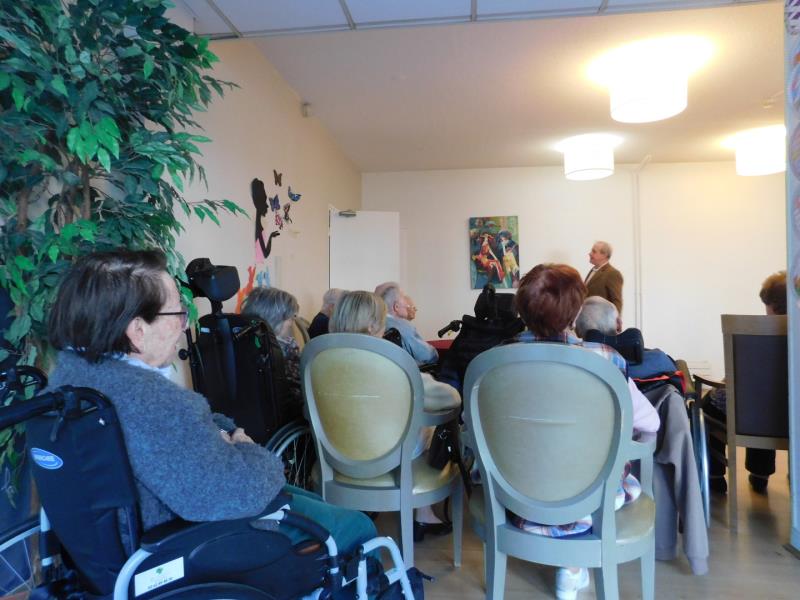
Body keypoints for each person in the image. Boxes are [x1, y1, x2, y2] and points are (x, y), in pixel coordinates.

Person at [46, 249, 375, 556]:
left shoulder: (69, 380)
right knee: (357, 526)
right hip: (197, 544)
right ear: (138, 331)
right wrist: (246, 448)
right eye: (178, 313)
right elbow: (234, 494)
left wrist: (218, 430)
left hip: (115, 543)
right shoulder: (153, 402)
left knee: (306, 498)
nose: (184, 324)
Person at [509, 264, 659, 600]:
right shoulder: (605, 360)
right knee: (593, 471)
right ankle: (573, 565)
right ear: (576, 313)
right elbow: (650, 424)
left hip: (518, 492)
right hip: (590, 499)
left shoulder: (497, 359)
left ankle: (570, 566)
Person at [329, 291, 459, 540]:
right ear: (371, 326)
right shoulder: (391, 362)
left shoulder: (317, 356)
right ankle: (424, 514)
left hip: (336, 454)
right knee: (431, 425)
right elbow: (449, 398)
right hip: (387, 456)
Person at [703, 270, 787, 495]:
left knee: (707, 408)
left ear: (773, 305)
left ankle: (715, 476)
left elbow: (744, 380)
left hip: (754, 413)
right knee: (766, 404)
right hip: (788, 417)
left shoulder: (760, 337)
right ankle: (760, 473)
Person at [241, 286, 302, 407]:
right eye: (290, 319)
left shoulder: (242, 342)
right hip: (287, 410)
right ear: (275, 318)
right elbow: (299, 391)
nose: (291, 323)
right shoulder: (287, 348)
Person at [377, 283, 438, 366]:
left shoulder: (373, 324)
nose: (407, 304)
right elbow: (427, 356)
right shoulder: (403, 326)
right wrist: (435, 353)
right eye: (403, 298)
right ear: (396, 307)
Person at [585, 241, 623, 314]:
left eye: (594, 251)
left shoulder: (613, 273)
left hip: (602, 319)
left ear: (604, 255)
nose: (590, 254)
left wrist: (616, 319)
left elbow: (616, 301)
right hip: (589, 317)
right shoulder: (593, 270)